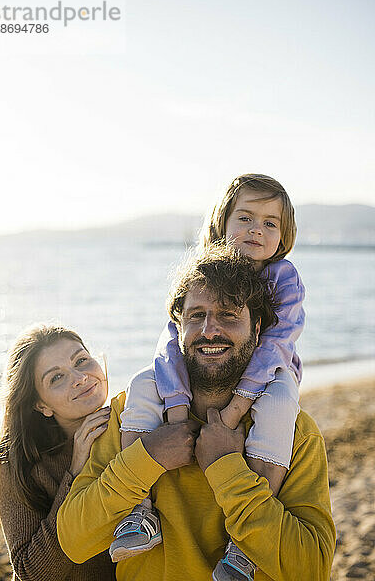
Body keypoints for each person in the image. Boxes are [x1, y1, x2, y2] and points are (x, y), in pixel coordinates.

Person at [57, 245, 336, 581]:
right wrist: (147, 456)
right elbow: (74, 541)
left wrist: (227, 471)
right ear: (178, 326)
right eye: (196, 315)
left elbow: (312, 568)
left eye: (229, 315)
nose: (209, 330)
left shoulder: (295, 433)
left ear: (257, 328)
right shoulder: (130, 413)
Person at [114, 174, 305, 579]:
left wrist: (236, 411)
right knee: (144, 383)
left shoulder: (282, 278)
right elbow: (171, 343)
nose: (258, 229)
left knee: (282, 399)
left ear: (283, 236)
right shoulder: (202, 270)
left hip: (269, 374)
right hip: (199, 374)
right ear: (222, 223)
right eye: (246, 217)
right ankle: (138, 512)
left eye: (271, 223)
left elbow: (275, 345)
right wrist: (179, 413)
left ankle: (244, 546)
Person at [0, 324, 115, 581]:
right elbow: (30, 573)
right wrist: (75, 472)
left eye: (81, 360)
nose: (79, 377)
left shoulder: (133, 424)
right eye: (56, 377)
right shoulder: (16, 464)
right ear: (41, 404)